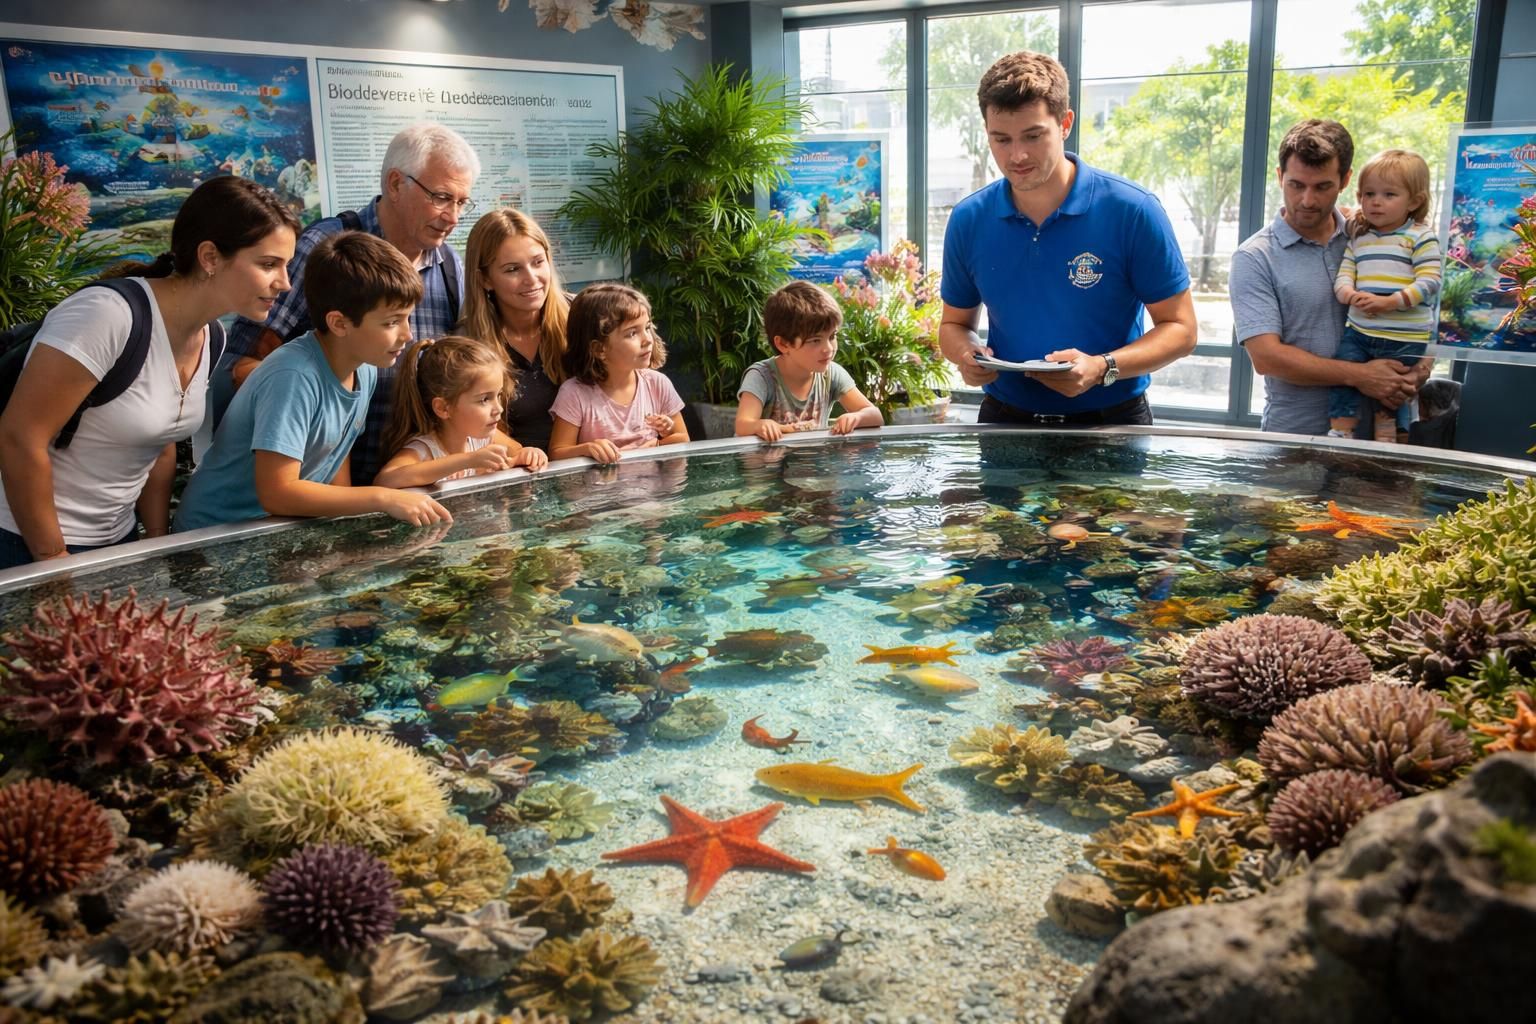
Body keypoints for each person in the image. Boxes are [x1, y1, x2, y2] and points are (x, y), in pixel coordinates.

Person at [0, 176, 300, 569]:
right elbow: (20, 438)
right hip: (28, 543)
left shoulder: (212, 337)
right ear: (210, 257)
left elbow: (161, 443)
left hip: (117, 541)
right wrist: (53, 560)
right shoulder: (106, 315)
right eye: (268, 264)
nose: (285, 283)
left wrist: (157, 546)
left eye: (287, 265)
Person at [938, 50, 1197, 426]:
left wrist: (1102, 367)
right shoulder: (968, 219)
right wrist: (966, 354)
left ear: (1065, 124)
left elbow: (1182, 329)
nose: (1017, 155)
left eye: (1033, 136)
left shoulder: (1133, 210)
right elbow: (953, 326)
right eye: (1001, 139)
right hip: (1005, 421)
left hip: (1110, 421)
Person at [216, 122, 479, 484]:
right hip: (313, 490)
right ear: (395, 184)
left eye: (461, 202)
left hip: (414, 478)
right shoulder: (326, 250)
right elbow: (242, 365)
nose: (453, 217)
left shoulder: (449, 265)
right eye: (441, 197)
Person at [173, 232, 450, 531]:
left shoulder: (364, 367)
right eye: (391, 322)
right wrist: (382, 498)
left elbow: (334, 454)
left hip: (272, 531)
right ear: (339, 323)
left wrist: (343, 527)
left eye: (407, 318)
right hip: (214, 535)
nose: (407, 335)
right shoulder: (294, 377)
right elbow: (277, 493)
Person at [1232, 119, 1426, 434]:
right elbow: (1267, 357)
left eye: (1322, 187)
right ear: (1280, 177)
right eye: (1296, 185)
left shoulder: (1369, 238)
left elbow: (1426, 305)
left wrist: (1421, 367)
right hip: (1294, 440)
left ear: (1346, 180)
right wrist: (1361, 375)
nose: (1307, 200)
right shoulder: (1254, 257)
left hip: (1380, 435)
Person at [1329, 149, 1441, 442]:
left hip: (1404, 338)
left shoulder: (1420, 237)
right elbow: (1345, 274)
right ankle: (1340, 431)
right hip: (1360, 332)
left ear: (1414, 201)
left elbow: (1430, 281)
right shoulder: (1359, 238)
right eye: (1368, 194)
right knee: (1344, 374)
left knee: (1393, 393)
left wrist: (1391, 302)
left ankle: (1391, 440)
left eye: (1389, 194)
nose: (1376, 202)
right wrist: (1349, 295)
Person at [458, 209, 570, 451]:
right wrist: (523, 456)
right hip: (513, 472)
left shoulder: (582, 314)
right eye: (512, 269)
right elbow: (460, 423)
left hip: (591, 464)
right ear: (484, 280)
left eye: (538, 262)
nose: (532, 279)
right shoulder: (464, 344)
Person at [375, 335, 548, 488]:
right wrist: (467, 461)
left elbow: (517, 451)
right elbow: (386, 479)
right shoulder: (425, 449)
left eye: (499, 395)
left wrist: (528, 455)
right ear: (443, 408)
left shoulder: (484, 437)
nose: (499, 408)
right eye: (484, 399)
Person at [548, 283, 688, 464]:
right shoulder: (574, 394)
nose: (647, 339)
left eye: (647, 327)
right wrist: (587, 449)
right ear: (599, 349)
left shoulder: (657, 384)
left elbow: (684, 440)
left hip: (652, 490)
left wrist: (661, 441)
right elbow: (556, 454)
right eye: (632, 333)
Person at [734, 280, 882, 440]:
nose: (829, 348)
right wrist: (759, 425)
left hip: (813, 462)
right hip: (769, 462)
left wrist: (857, 417)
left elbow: (875, 415)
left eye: (832, 336)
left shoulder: (831, 374)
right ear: (783, 344)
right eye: (815, 340)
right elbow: (743, 425)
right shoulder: (762, 377)